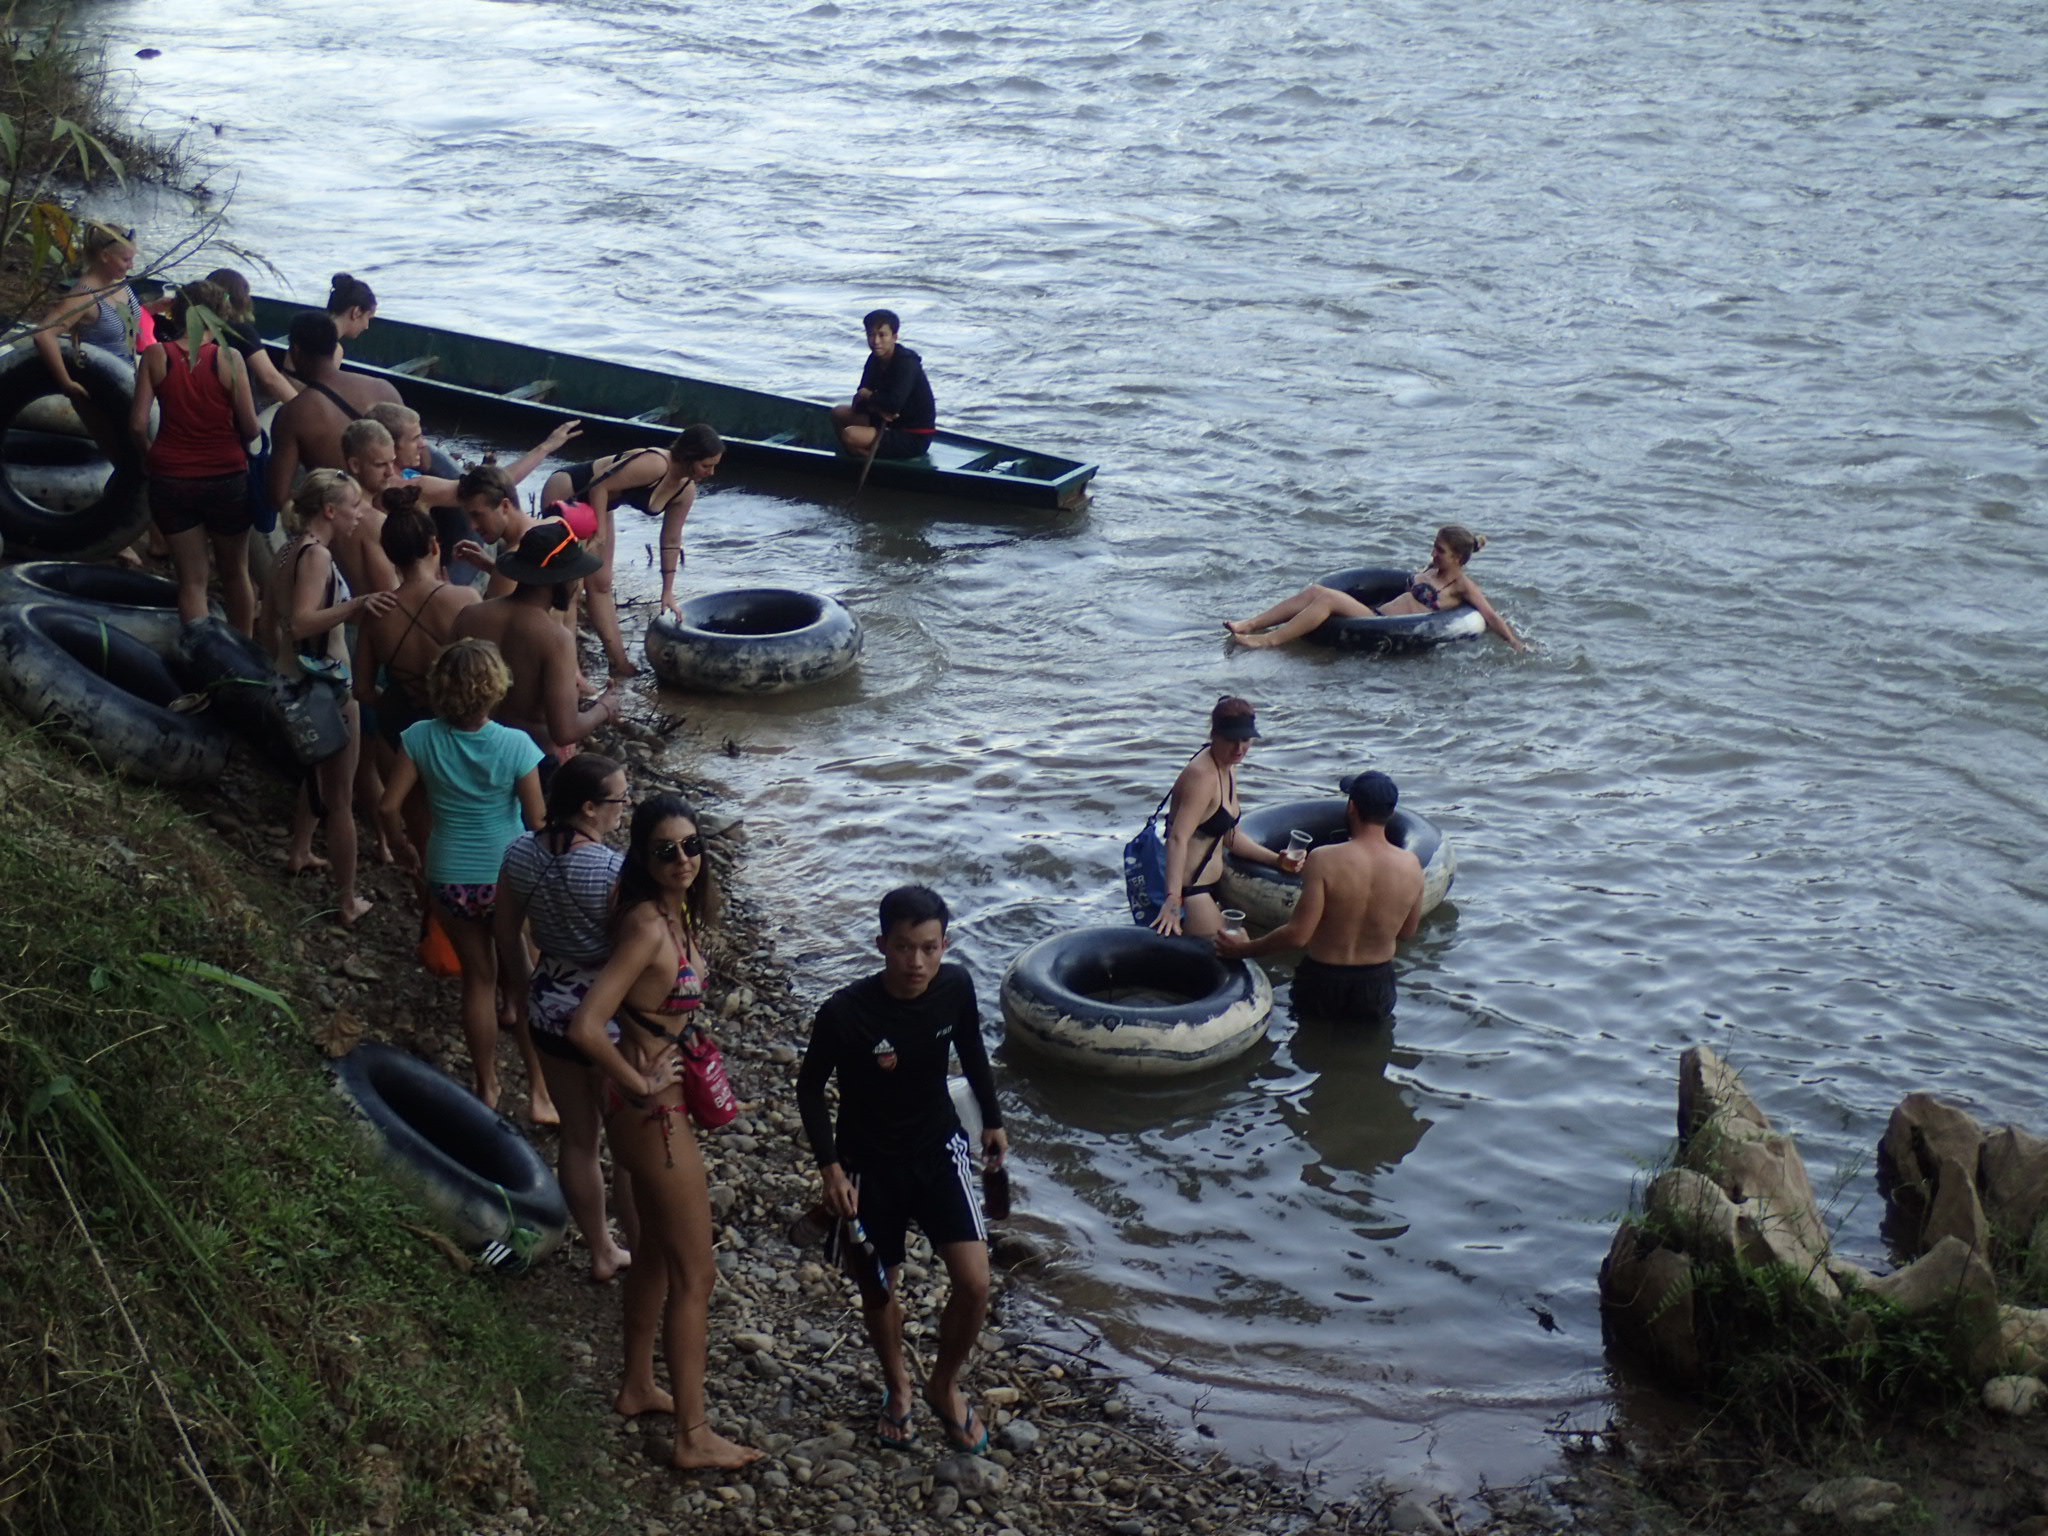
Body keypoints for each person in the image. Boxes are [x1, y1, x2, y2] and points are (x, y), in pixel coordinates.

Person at [567, 796, 763, 1471]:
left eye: (691, 845)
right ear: (643, 859)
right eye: (665, 850)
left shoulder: (675, 915)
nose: (682, 860)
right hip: (654, 1113)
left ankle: (636, 1386)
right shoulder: (648, 928)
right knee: (696, 1273)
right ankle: (691, 1434)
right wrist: (641, 1077)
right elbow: (586, 1024)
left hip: (647, 1108)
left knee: (652, 1250)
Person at [796, 885, 1006, 1454]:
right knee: (881, 1288)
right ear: (882, 945)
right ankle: (898, 1387)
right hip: (866, 1167)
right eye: (904, 948)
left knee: (974, 1281)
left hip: (938, 1149)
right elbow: (810, 1089)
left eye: (930, 948)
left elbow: (972, 1048)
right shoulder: (845, 1013)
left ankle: (943, 1386)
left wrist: (992, 1119)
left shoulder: (955, 986)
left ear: (945, 945)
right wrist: (830, 1169)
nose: (918, 963)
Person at [379, 638, 552, 1119]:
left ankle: (487, 1086)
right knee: (522, 983)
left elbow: (388, 806)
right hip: (507, 876)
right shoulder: (517, 746)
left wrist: (402, 847)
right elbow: (537, 821)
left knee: (478, 980)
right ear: (495, 688)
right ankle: (540, 1093)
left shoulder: (419, 738)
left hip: (450, 874)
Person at [497, 754, 635, 1282]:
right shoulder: (609, 870)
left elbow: (507, 934)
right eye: (618, 800)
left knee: (579, 1138)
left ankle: (600, 1249)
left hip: (549, 1004)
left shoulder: (519, 855)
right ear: (589, 808)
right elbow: (632, 947)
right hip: (608, 1019)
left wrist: (529, 986)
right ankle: (636, 1245)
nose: (623, 809)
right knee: (624, 1144)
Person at [262, 469, 397, 926]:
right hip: (321, 687)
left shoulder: (288, 548)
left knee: (318, 774)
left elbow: (270, 622)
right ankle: (347, 900)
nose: (362, 512)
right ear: (330, 511)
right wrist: (357, 605)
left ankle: (300, 850)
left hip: (289, 678)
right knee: (341, 797)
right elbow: (300, 623)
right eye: (355, 505)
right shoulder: (316, 556)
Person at [1216, 771, 1424, 1026]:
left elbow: (1298, 935)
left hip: (1323, 980)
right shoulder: (1412, 866)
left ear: (1352, 807)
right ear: (1391, 813)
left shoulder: (1325, 859)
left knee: (1308, 1048)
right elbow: (1406, 932)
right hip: (1376, 983)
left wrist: (1243, 950)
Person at [537, 424, 724, 678]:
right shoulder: (656, 464)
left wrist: (667, 591)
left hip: (600, 506)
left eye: (714, 466)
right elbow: (599, 485)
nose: (711, 472)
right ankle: (569, 672)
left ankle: (619, 663)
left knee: (601, 583)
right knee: (569, 589)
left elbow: (671, 539)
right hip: (570, 493)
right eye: (706, 465)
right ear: (689, 456)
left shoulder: (685, 490)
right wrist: (600, 532)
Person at [129, 279, 262, 631]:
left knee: (192, 582)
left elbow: (138, 424)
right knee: (235, 574)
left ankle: (201, 658)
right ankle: (244, 655)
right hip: (226, 477)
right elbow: (250, 429)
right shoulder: (229, 358)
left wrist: (150, 457)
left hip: (171, 479)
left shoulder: (157, 355)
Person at [453, 523, 626, 772]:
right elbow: (565, 731)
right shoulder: (556, 639)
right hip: (529, 763)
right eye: (574, 577)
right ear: (557, 580)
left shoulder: (469, 616)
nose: (576, 585)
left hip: (469, 754)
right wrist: (604, 709)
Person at [1225, 525, 1527, 652]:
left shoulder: (1462, 586)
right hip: (1375, 614)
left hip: (1389, 627)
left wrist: (1514, 642)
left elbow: (1490, 615)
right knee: (1317, 590)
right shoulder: (1431, 570)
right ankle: (1251, 623)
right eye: (1435, 548)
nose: (1434, 554)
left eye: (1441, 551)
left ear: (1458, 558)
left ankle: (1269, 641)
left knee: (1327, 598)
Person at [1149, 696, 1290, 939]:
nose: (1239, 749)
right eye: (1231, 740)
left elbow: (1230, 837)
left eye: (1245, 740)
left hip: (1214, 885)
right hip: (1190, 891)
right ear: (1214, 735)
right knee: (1237, 946)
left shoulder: (1227, 767)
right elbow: (1177, 838)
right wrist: (1173, 900)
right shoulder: (1202, 776)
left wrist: (1277, 861)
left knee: (1242, 941)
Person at [354, 491, 479, 758]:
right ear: (434, 545)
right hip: (456, 726)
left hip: (400, 728)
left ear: (389, 552)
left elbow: (362, 690)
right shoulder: (464, 599)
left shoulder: (376, 613)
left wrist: (393, 703)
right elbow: (487, 671)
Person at [266, 310, 403, 508]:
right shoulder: (383, 388)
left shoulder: (292, 414)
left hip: (347, 519)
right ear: (334, 347)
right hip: (396, 510)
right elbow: (422, 460)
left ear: (295, 351)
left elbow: (278, 496)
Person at [32, 222, 141, 396]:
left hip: (129, 376)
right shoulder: (84, 296)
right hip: (101, 385)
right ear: (105, 256)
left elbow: (125, 322)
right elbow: (43, 334)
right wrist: (66, 383)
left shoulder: (120, 280)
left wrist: (154, 307)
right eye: (126, 260)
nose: (132, 266)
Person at [830, 309, 935, 461]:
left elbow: (892, 404)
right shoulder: (874, 359)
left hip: (911, 435)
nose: (876, 341)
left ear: (894, 337)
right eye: (871, 335)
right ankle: (857, 455)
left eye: (882, 335)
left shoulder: (907, 363)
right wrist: (877, 406)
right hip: (886, 422)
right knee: (838, 413)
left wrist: (870, 397)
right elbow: (859, 398)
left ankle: (867, 458)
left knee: (850, 434)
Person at [203, 267, 302, 406]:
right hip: (232, 415)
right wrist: (303, 408)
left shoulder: (192, 328)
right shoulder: (240, 332)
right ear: (239, 298)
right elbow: (270, 379)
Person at [327, 271, 377, 352]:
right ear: (356, 312)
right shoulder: (333, 351)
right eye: (368, 318)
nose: (366, 326)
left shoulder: (306, 333)